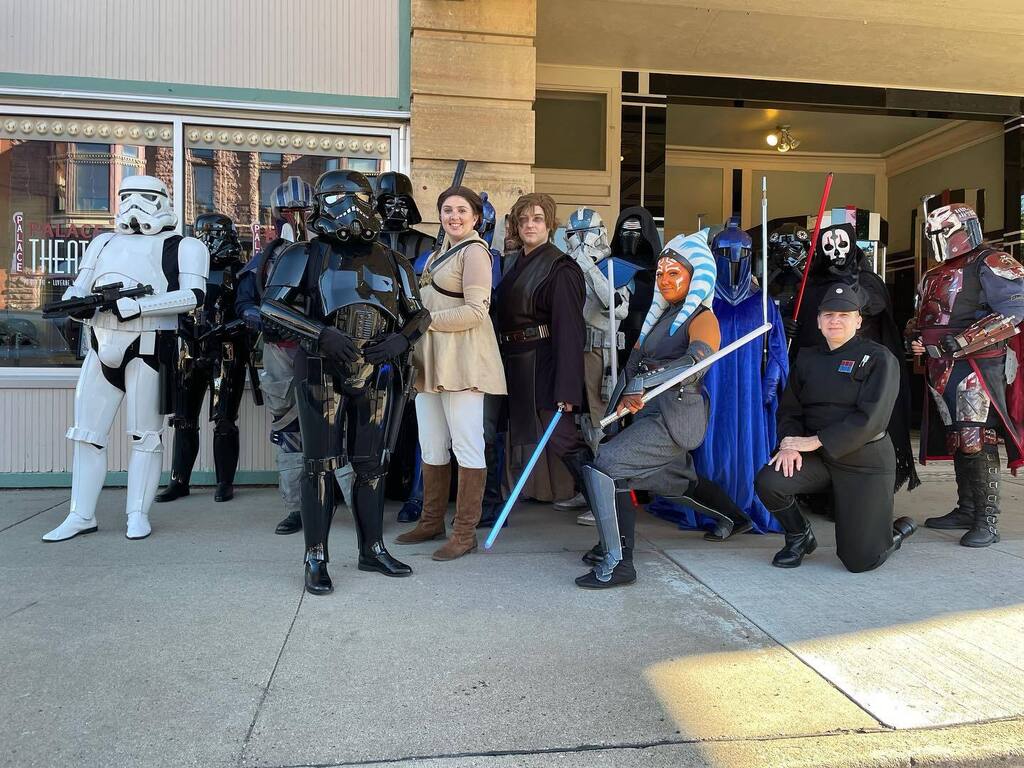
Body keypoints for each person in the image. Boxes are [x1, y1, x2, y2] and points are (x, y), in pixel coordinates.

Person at [259, 170, 430, 595]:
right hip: (321, 366)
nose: (350, 208)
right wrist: (320, 334)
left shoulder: (392, 259)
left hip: (378, 370)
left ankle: (372, 548)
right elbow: (271, 308)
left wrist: (400, 341)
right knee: (318, 466)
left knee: (372, 465)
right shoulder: (304, 254)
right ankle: (315, 556)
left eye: (358, 198)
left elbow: (418, 312)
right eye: (340, 199)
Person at [43, 176, 208, 542]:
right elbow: (80, 287)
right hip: (101, 343)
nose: (134, 205)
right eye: (126, 197)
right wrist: (77, 308)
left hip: (150, 346)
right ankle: (80, 514)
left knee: (146, 436)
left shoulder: (184, 246)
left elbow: (193, 295)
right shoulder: (103, 242)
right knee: (86, 435)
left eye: (145, 197)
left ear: (163, 201)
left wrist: (141, 306)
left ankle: (137, 513)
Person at [575, 230, 720, 588]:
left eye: (675, 273)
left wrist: (646, 383)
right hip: (646, 413)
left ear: (695, 277)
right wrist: (617, 405)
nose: (665, 280)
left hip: (675, 416)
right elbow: (632, 368)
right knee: (670, 481)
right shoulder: (658, 319)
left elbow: (696, 362)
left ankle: (619, 563)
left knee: (606, 466)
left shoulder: (702, 317)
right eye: (660, 274)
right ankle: (615, 545)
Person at [755, 284, 917, 572]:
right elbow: (790, 410)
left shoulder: (879, 358)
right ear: (818, 322)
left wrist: (814, 441)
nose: (835, 321)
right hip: (819, 458)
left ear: (858, 321)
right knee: (770, 480)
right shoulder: (807, 358)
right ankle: (799, 537)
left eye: (844, 315)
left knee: (860, 561)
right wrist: (789, 444)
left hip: (864, 462)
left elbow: (871, 420)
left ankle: (895, 534)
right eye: (828, 315)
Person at [649, 218, 787, 537]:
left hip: (751, 394)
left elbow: (777, 350)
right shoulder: (701, 303)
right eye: (726, 253)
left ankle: (748, 508)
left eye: (741, 254)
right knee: (710, 450)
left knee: (747, 452)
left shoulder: (762, 303)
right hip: (709, 388)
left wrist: (769, 384)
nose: (734, 261)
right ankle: (718, 511)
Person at [393, 186, 506, 559]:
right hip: (432, 360)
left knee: (467, 444)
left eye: (461, 210)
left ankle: (465, 532)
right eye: (446, 210)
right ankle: (431, 520)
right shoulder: (438, 255)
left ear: (476, 217)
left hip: (462, 359)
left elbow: (477, 311)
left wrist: (421, 322)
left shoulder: (476, 253)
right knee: (432, 444)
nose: (453, 216)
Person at [235, 175, 350, 536]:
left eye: (301, 210)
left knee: (341, 425)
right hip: (281, 351)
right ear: (277, 214)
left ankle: (356, 504)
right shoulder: (265, 257)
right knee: (288, 428)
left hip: (326, 348)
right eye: (288, 211)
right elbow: (244, 303)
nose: (295, 217)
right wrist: (266, 319)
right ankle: (298, 507)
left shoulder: (333, 253)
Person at [906, 203, 1024, 547]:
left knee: (976, 438)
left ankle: (987, 520)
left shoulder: (991, 261)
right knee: (957, 438)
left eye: (944, 231)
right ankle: (966, 507)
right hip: (939, 366)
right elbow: (922, 319)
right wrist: (915, 340)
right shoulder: (933, 273)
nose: (939, 239)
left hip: (977, 365)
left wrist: (957, 342)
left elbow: (1015, 309)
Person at [788, 222, 919, 494]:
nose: (836, 252)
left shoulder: (868, 281)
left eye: (842, 245)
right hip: (820, 371)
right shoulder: (811, 284)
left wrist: (850, 283)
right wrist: (787, 324)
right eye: (829, 246)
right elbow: (801, 316)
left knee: (859, 426)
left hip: (861, 373)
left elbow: (873, 304)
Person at [494, 193, 590, 508]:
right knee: (519, 435)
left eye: (537, 219)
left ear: (549, 223)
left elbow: (570, 332)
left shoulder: (561, 268)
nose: (529, 225)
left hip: (546, 363)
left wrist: (568, 388)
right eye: (523, 220)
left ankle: (602, 500)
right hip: (515, 361)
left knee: (563, 437)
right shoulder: (513, 262)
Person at [154, 212, 253, 504]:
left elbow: (249, 311)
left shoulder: (239, 271)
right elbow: (172, 303)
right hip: (189, 350)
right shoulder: (184, 269)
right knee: (183, 419)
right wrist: (183, 331)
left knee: (224, 420)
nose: (209, 242)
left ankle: (224, 483)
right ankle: (179, 481)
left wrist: (227, 328)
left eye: (214, 235)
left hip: (226, 351)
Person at [555, 207, 631, 524]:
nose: (581, 241)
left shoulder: (617, 269)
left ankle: (607, 497)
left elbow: (617, 309)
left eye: (587, 234)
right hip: (575, 355)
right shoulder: (565, 270)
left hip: (603, 357)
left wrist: (588, 265)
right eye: (575, 235)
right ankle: (588, 490)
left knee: (603, 428)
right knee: (582, 426)